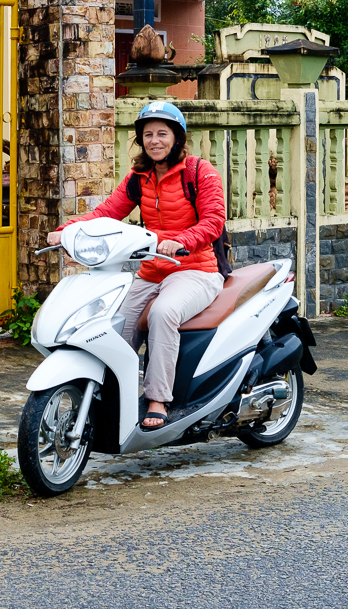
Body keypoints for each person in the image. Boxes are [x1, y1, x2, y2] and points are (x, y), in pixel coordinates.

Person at [47, 102, 225, 429]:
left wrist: (182, 240)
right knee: (114, 323)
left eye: (162, 134)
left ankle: (157, 399)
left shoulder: (200, 172)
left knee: (163, 313)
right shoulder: (139, 177)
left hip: (195, 270)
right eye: (148, 135)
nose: (155, 141)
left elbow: (214, 221)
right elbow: (107, 212)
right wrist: (67, 230)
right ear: (141, 140)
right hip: (151, 271)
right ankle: (106, 395)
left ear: (177, 137)